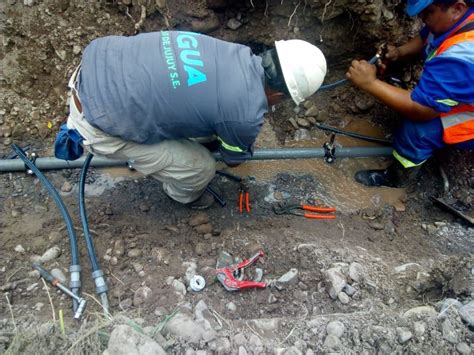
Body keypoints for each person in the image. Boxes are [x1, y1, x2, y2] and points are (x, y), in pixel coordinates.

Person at [54, 31, 327, 208]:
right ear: (280, 94)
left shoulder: (233, 52)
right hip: (96, 120)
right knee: (201, 167)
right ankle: (182, 196)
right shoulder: (244, 115)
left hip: (98, 67)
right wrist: (240, 142)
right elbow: (233, 159)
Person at [347, 0, 474, 188]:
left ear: (457, 8)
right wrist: (399, 52)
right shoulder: (459, 20)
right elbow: (426, 37)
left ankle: (399, 177)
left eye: (428, 12)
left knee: (416, 130)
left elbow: (421, 110)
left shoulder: (461, 57)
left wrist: (370, 83)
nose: (422, 19)